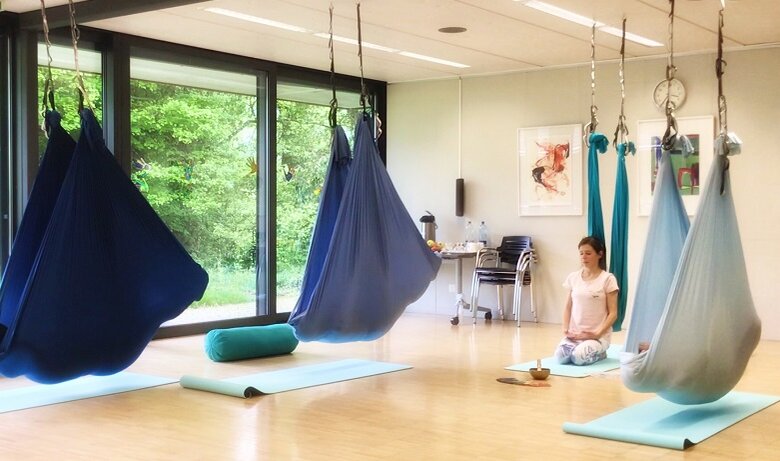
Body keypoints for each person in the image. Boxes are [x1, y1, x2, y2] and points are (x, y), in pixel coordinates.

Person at [554, 236, 618, 366]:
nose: (584, 257)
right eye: (581, 253)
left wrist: (597, 334)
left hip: (598, 337)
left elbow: (613, 314)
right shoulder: (573, 277)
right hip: (575, 335)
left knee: (578, 358)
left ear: (600, 254)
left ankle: (601, 353)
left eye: (588, 253)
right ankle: (577, 347)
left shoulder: (608, 279)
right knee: (560, 358)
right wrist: (565, 328)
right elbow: (568, 307)